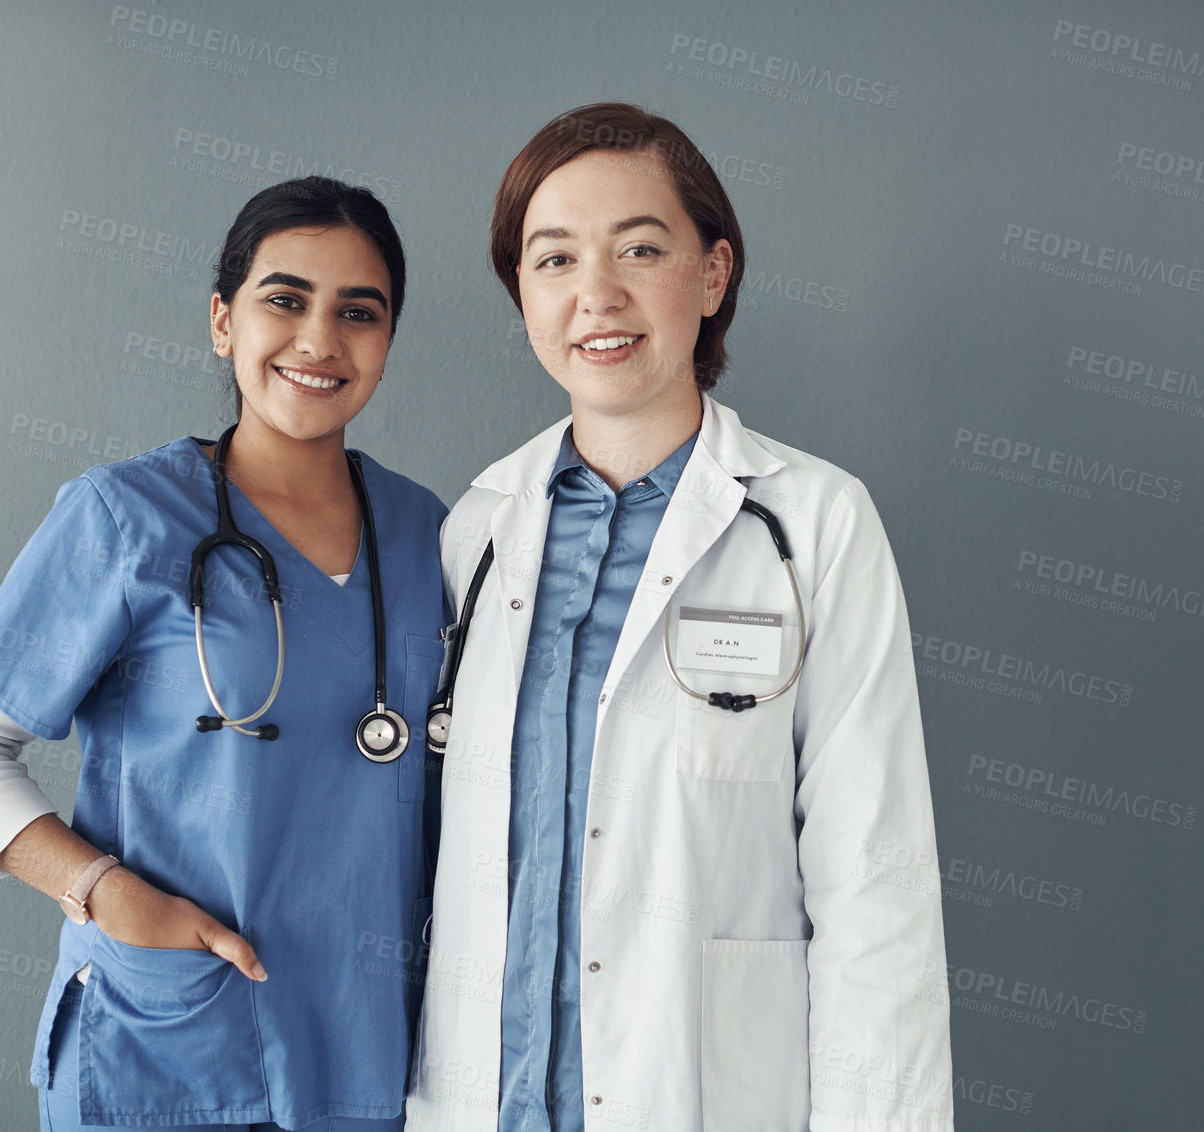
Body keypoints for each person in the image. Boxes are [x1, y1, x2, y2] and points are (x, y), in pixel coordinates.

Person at [405, 104, 953, 1131]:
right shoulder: (475, 532)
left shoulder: (816, 525)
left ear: (712, 274)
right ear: (520, 292)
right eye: (553, 259)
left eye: (640, 249)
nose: (595, 295)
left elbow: (876, 890)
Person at [0, 176, 448, 1131]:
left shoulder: (429, 533)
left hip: (364, 1050)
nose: (320, 339)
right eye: (284, 299)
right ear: (221, 322)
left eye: (357, 312)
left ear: (387, 342)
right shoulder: (124, 516)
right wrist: (101, 892)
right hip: (164, 1043)